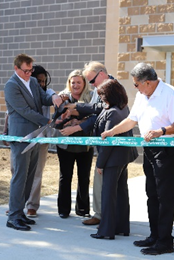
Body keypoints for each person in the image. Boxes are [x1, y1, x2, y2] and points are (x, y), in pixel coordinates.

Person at [101, 63, 174, 255]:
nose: (135, 89)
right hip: (150, 148)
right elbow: (132, 120)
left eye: (136, 85)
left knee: (165, 196)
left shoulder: (170, 94)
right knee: (152, 194)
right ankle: (155, 236)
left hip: (168, 149)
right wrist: (112, 131)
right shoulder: (143, 95)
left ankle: (165, 241)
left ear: (147, 82)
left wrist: (160, 131)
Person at [61, 79, 138, 239]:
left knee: (108, 194)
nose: (100, 98)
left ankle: (106, 231)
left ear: (110, 94)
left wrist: (100, 164)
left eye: (102, 95)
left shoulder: (114, 113)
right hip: (122, 157)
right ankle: (121, 227)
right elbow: (94, 110)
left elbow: (107, 142)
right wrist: (75, 109)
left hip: (113, 158)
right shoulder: (119, 108)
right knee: (121, 193)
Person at [4, 54, 62, 231]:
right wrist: (47, 121)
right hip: (22, 136)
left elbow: (42, 98)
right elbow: (24, 110)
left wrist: (54, 98)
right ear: (16, 69)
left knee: (30, 175)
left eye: (31, 70)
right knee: (20, 176)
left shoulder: (34, 82)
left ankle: (20, 213)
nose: (29, 74)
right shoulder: (11, 86)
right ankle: (13, 216)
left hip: (36, 135)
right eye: (26, 71)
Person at [65, 61, 114, 226]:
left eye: (91, 81)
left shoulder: (111, 89)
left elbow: (96, 113)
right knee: (100, 181)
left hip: (110, 144)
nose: (91, 85)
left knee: (108, 182)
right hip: (101, 143)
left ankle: (106, 217)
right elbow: (94, 108)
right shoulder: (100, 89)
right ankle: (102, 215)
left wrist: (77, 126)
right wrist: (76, 109)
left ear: (101, 74)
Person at [56, 69, 96, 219]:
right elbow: (58, 119)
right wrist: (70, 120)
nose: (76, 85)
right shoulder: (63, 97)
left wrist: (79, 121)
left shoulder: (91, 97)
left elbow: (94, 116)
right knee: (65, 176)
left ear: (84, 83)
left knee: (84, 176)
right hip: (65, 144)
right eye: (73, 82)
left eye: (79, 82)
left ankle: (83, 209)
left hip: (85, 144)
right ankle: (63, 209)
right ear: (69, 83)